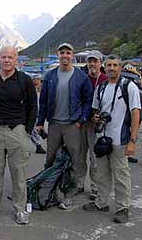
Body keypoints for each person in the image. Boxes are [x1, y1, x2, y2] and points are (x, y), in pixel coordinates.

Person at [0, 46, 37, 225]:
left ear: (16, 60)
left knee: (18, 171)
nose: (6, 60)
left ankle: (20, 209)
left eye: (10, 57)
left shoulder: (24, 80)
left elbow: (33, 107)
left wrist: (26, 130)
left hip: (17, 130)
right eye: (3, 57)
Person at [83, 54, 141, 224]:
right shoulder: (100, 87)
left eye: (115, 65)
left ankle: (123, 208)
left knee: (121, 175)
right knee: (101, 173)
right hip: (102, 138)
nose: (112, 68)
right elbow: (95, 110)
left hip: (120, 139)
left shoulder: (129, 87)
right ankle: (101, 203)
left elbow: (135, 114)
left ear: (120, 67)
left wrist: (132, 141)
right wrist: (94, 118)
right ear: (104, 67)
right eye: (109, 65)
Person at [36, 42, 93, 209]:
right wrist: (40, 122)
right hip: (54, 124)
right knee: (50, 160)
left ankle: (68, 195)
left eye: (68, 52)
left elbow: (88, 101)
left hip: (72, 126)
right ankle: (49, 192)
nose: (65, 56)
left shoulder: (81, 77)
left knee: (74, 162)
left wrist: (80, 120)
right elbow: (44, 100)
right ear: (58, 55)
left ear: (72, 56)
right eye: (62, 53)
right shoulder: (50, 76)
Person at [77, 50, 107, 200]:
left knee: (95, 160)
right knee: (80, 156)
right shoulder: (83, 79)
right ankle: (79, 184)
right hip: (83, 123)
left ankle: (95, 188)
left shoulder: (105, 80)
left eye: (95, 61)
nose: (92, 64)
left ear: (101, 63)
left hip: (97, 126)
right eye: (90, 61)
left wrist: (100, 117)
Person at [29, 74, 46, 154]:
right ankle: (38, 146)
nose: (36, 81)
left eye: (38, 79)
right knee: (32, 131)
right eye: (34, 79)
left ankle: (41, 137)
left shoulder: (43, 91)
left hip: (40, 114)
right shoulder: (30, 91)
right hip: (32, 114)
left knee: (36, 130)